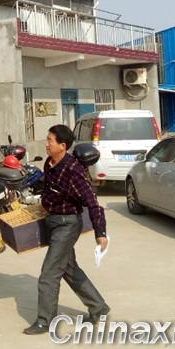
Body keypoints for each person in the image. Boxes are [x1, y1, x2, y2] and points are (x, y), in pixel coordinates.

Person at [24, 124, 110, 335]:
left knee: (49, 273)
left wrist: (100, 233)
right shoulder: (49, 163)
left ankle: (45, 321)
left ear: (62, 145)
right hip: (53, 221)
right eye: (47, 139)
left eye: (50, 140)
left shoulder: (74, 171)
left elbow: (92, 202)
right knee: (69, 270)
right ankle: (99, 307)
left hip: (67, 225)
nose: (46, 144)